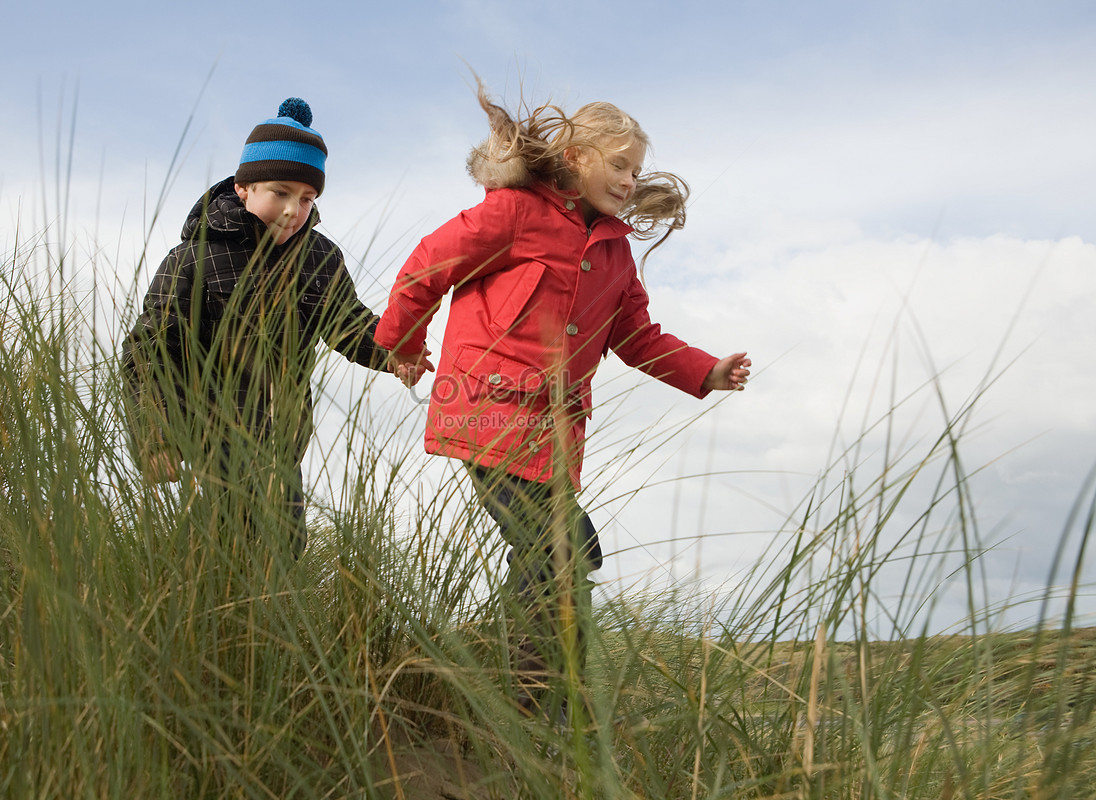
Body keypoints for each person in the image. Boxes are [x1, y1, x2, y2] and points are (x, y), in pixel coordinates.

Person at [375, 86, 750, 718]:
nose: (631, 180)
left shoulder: (615, 250)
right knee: (561, 548)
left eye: (636, 169)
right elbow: (426, 267)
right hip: (485, 406)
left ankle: (540, 695)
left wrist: (705, 371)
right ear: (575, 156)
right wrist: (403, 344)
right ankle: (521, 698)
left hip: (551, 430)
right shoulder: (515, 212)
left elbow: (635, 336)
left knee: (568, 555)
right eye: (619, 165)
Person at [123, 97, 415, 559]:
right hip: (209, 440)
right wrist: (156, 437)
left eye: (306, 198)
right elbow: (151, 352)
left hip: (282, 444)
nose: (292, 209)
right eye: (279, 192)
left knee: (284, 548)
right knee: (216, 548)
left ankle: (259, 627)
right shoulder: (194, 258)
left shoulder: (319, 258)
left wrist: (395, 353)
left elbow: (349, 324)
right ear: (244, 187)